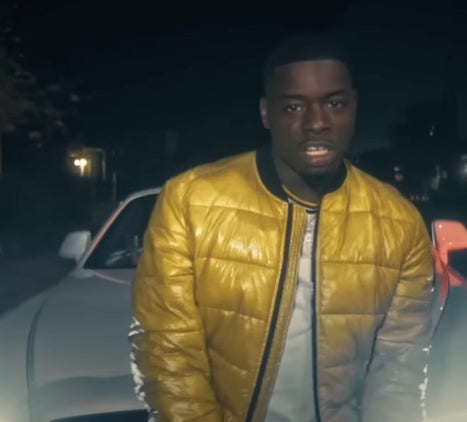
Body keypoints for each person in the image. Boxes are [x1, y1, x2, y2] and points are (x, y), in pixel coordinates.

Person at [129, 32, 439, 422]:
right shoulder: (190, 201)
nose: (317, 123)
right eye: (293, 107)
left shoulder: (400, 223)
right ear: (266, 113)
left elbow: (399, 369)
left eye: (335, 104)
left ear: (354, 107)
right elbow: (167, 352)